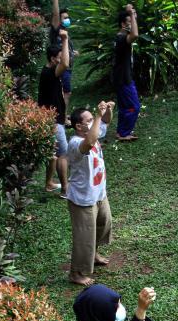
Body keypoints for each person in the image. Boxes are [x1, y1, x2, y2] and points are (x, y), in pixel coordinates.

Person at [66, 102, 114, 286]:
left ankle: (93, 254)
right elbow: (90, 142)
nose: (94, 122)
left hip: (99, 193)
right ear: (79, 126)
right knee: (84, 237)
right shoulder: (75, 143)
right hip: (83, 199)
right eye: (90, 120)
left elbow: (106, 122)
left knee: (104, 224)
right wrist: (99, 116)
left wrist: (108, 111)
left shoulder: (92, 131)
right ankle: (76, 273)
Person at [38, 30, 70, 195]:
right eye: (59, 57)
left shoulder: (48, 71)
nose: (61, 59)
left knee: (52, 155)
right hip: (53, 121)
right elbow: (65, 64)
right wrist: (65, 39)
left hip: (50, 119)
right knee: (63, 155)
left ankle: (49, 183)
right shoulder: (50, 73)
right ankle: (65, 189)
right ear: (52, 59)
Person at [112, 5, 139, 142]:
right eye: (130, 21)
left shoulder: (120, 37)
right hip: (123, 79)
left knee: (124, 107)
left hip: (120, 77)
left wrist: (132, 15)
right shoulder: (122, 38)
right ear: (123, 24)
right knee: (134, 106)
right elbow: (135, 34)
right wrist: (131, 13)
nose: (133, 24)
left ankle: (121, 132)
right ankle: (124, 133)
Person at [50, 0, 76, 111]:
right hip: (62, 67)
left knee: (66, 92)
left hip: (68, 68)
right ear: (59, 20)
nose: (67, 20)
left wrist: (73, 53)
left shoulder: (64, 31)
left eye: (68, 17)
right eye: (65, 18)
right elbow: (55, 14)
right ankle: (62, 115)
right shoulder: (57, 31)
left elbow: (65, 48)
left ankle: (63, 114)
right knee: (64, 92)